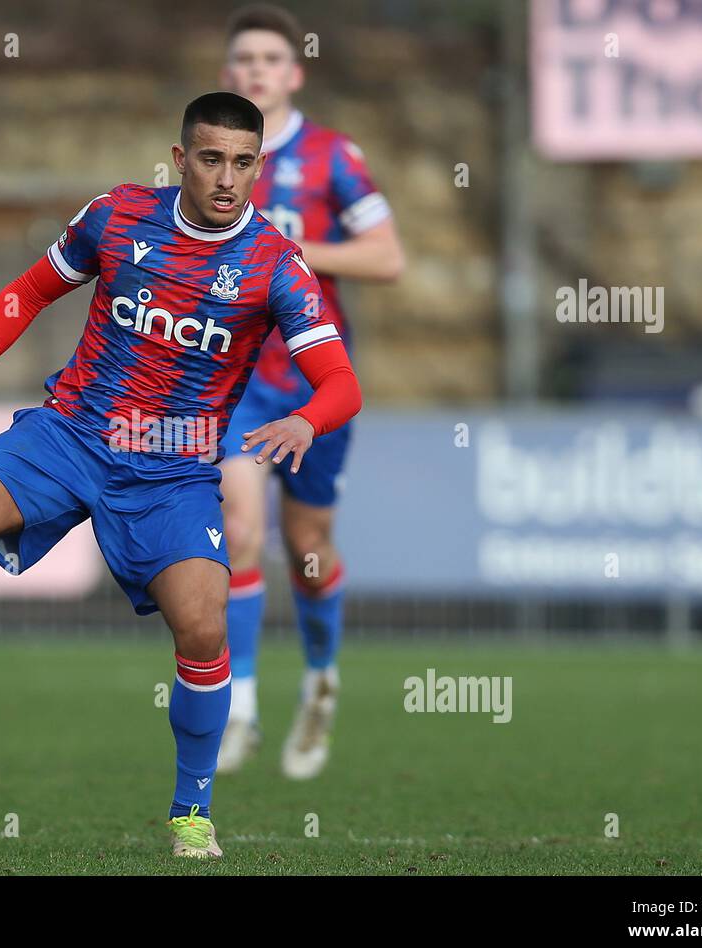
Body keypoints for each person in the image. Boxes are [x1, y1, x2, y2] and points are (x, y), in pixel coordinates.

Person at [0, 91, 362, 858]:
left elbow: (341, 384)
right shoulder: (119, 217)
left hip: (174, 473)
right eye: (211, 158)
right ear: (179, 159)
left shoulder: (275, 267)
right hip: (74, 432)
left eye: (243, 162)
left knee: (202, 625)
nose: (227, 177)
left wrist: (306, 418)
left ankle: (192, 810)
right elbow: (28, 289)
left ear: (258, 166)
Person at [216, 4, 405, 779]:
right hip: (237, 379)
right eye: (242, 59)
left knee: (309, 547)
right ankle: (240, 707)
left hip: (314, 378)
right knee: (236, 521)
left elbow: (387, 257)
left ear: (295, 73)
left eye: (269, 59)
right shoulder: (214, 158)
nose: (255, 69)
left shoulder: (330, 158)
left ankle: (321, 678)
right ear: (226, 76)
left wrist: (297, 248)